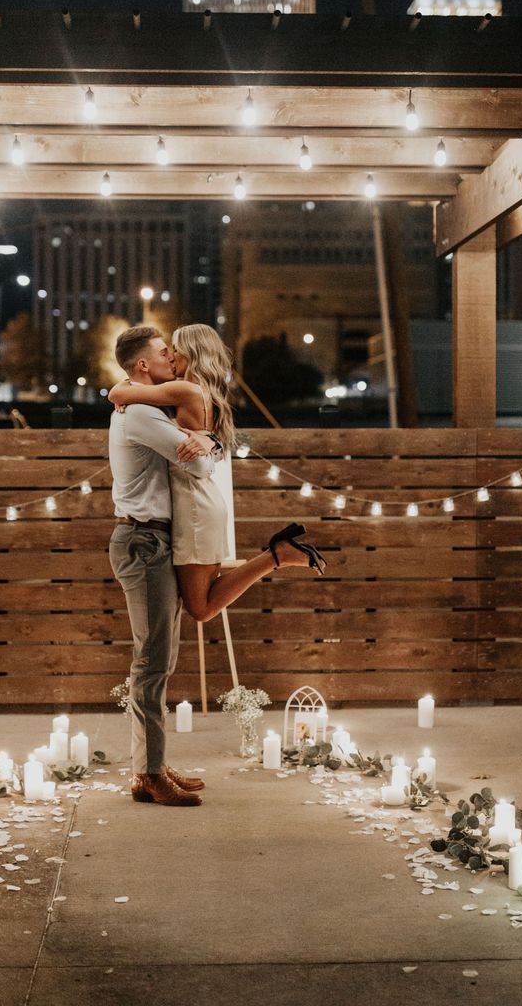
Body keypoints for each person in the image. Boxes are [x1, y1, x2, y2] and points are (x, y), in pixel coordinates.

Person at [108, 322, 326, 628]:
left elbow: (117, 392)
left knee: (201, 608)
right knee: (202, 603)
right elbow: (214, 442)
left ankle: (276, 555)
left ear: (190, 354)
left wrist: (125, 395)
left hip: (193, 504)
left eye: (175, 351)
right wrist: (209, 439)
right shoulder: (204, 394)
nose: (170, 358)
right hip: (202, 501)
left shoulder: (183, 389)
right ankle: (277, 555)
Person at [108, 325, 217, 808]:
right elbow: (197, 466)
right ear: (142, 367)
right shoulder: (140, 413)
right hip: (143, 540)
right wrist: (204, 446)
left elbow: (203, 449)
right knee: (152, 663)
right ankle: (149, 774)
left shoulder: (147, 408)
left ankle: (149, 765)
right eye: (162, 353)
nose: (172, 358)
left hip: (152, 540)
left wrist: (205, 441)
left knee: (159, 661)